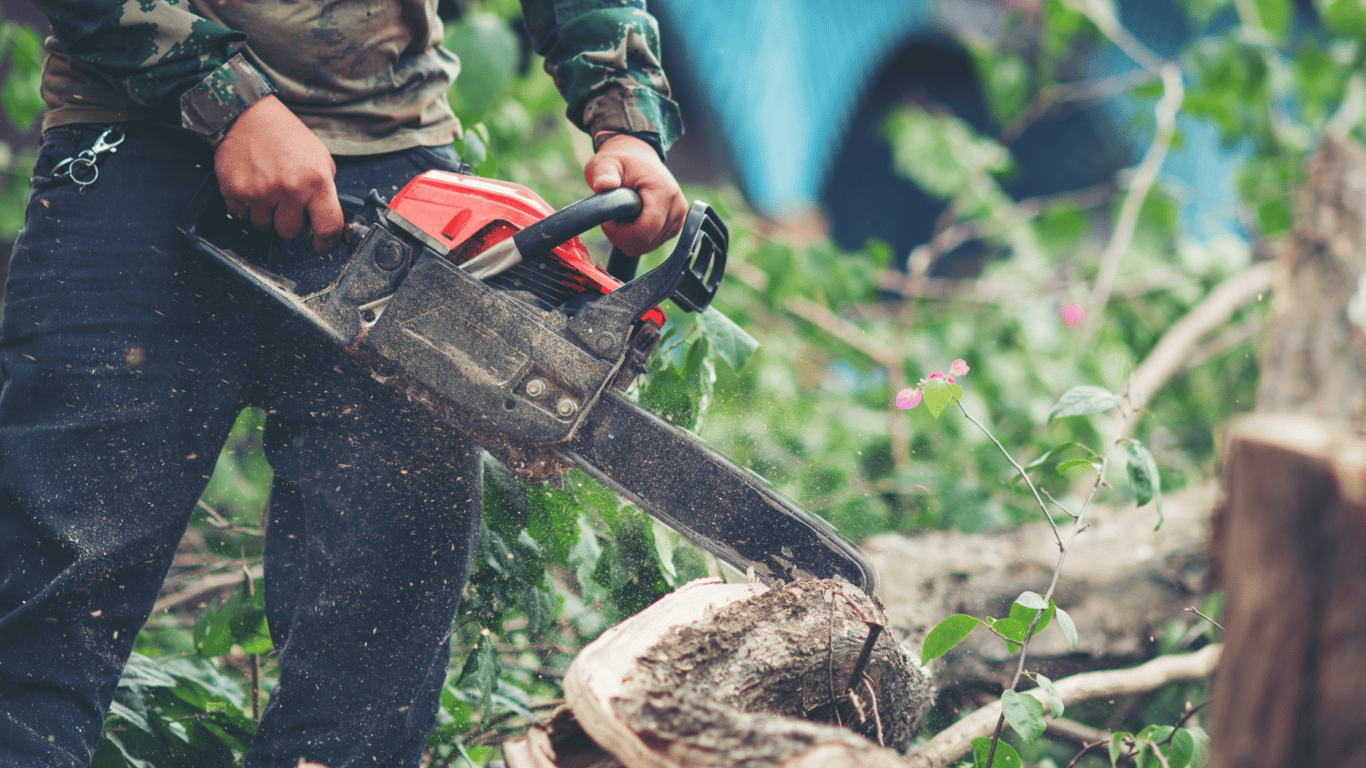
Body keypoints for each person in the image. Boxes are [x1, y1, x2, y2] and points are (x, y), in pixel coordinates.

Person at [0, 2, 687, 767]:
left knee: (371, 660)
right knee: (47, 606)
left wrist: (624, 115)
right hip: (135, 147)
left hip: (397, 169)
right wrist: (224, 98)